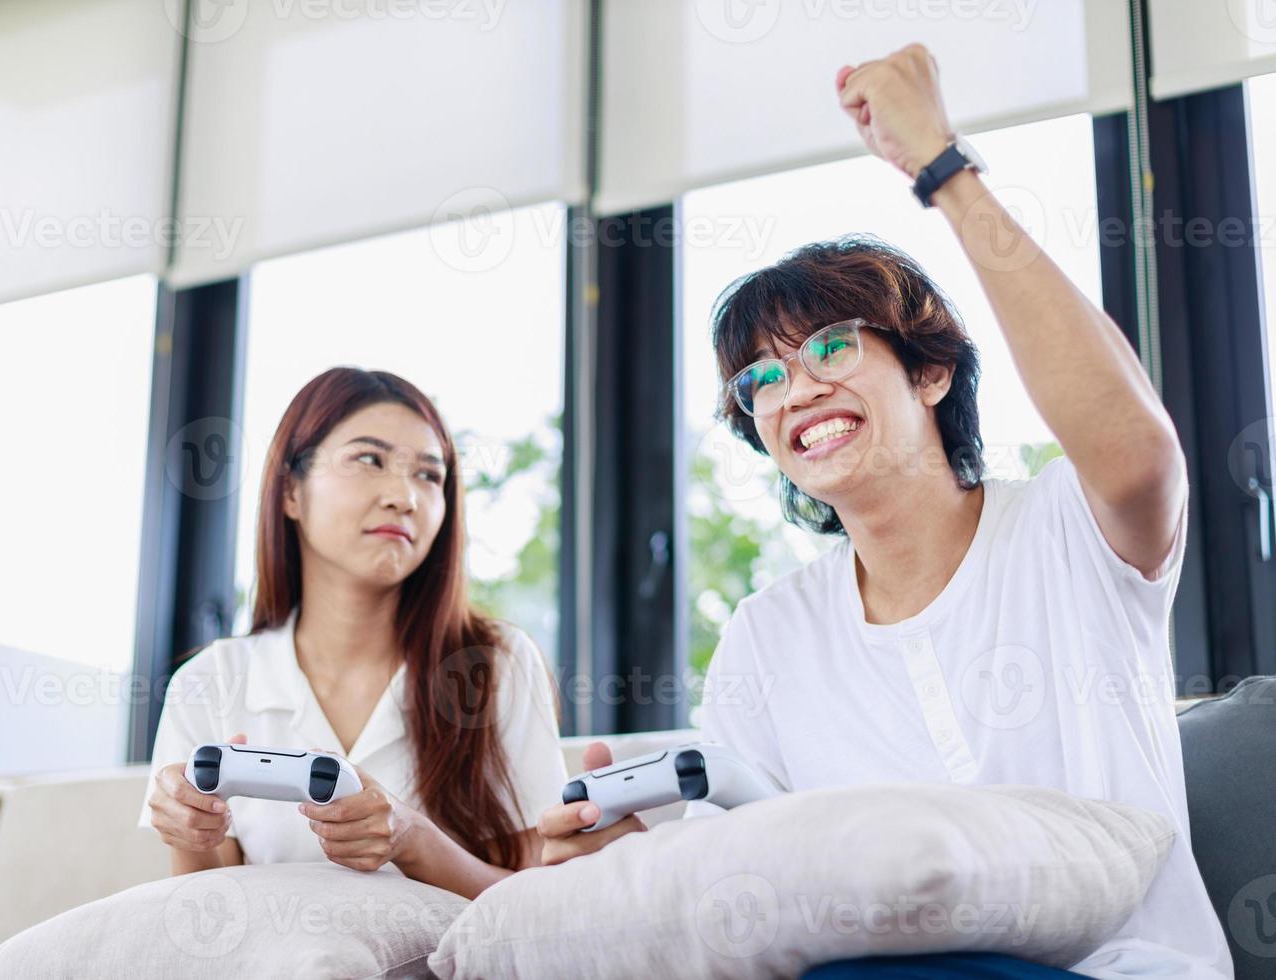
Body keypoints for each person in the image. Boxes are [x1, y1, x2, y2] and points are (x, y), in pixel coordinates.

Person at [537, 45, 1234, 978]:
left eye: (831, 346)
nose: (795, 391)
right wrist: (622, 865)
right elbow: (754, 887)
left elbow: (1138, 446)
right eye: (763, 379)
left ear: (932, 370)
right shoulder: (766, 636)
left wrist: (941, 165)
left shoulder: (1073, 531)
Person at [138, 367, 566, 900]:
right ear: (291, 491)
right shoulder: (211, 679)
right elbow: (207, 912)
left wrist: (413, 840)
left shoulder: (496, 662)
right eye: (370, 459)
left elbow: (540, 903)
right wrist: (189, 831)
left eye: (430, 476)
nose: (403, 497)